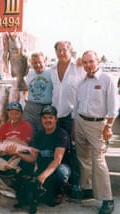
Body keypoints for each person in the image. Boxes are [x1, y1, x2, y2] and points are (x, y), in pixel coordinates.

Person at [74, 50, 119, 214]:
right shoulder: (82, 81)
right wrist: (74, 125)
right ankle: (87, 189)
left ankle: (107, 199)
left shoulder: (108, 80)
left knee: (98, 161)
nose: (88, 65)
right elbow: (77, 104)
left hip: (97, 125)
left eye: (91, 61)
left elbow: (114, 106)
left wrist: (109, 126)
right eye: (85, 63)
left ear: (98, 61)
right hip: (80, 122)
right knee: (83, 157)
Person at [8, 105, 71, 213]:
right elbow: (33, 159)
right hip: (43, 167)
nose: (47, 120)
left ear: (55, 119)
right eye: (45, 118)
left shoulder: (61, 134)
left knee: (62, 172)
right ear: (41, 120)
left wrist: (42, 176)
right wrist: (18, 154)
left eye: (50, 118)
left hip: (58, 168)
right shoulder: (38, 135)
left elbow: (57, 160)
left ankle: (60, 192)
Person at [49, 41, 85, 197]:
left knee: (73, 151)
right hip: (56, 117)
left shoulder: (78, 67)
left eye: (65, 50)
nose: (61, 53)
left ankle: (75, 185)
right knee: (57, 151)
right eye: (59, 50)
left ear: (71, 51)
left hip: (72, 116)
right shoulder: (51, 70)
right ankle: (60, 186)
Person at [0, 101, 35, 205]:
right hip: (8, 154)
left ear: (21, 114)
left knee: (24, 171)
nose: (14, 116)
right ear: (8, 114)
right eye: (11, 113)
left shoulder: (27, 126)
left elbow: (25, 144)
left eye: (17, 113)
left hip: (22, 154)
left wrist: (15, 153)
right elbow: (0, 147)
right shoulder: (4, 127)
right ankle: (11, 175)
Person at [23, 52, 53, 134]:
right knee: (28, 132)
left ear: (45, 61)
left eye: (40, 62)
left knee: (43, 133)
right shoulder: (29, 73)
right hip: (31, 108)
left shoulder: (52, 72)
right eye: (35, 63)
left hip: (46, 108)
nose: (38, 65)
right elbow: (25, 87)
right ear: (32, 63)